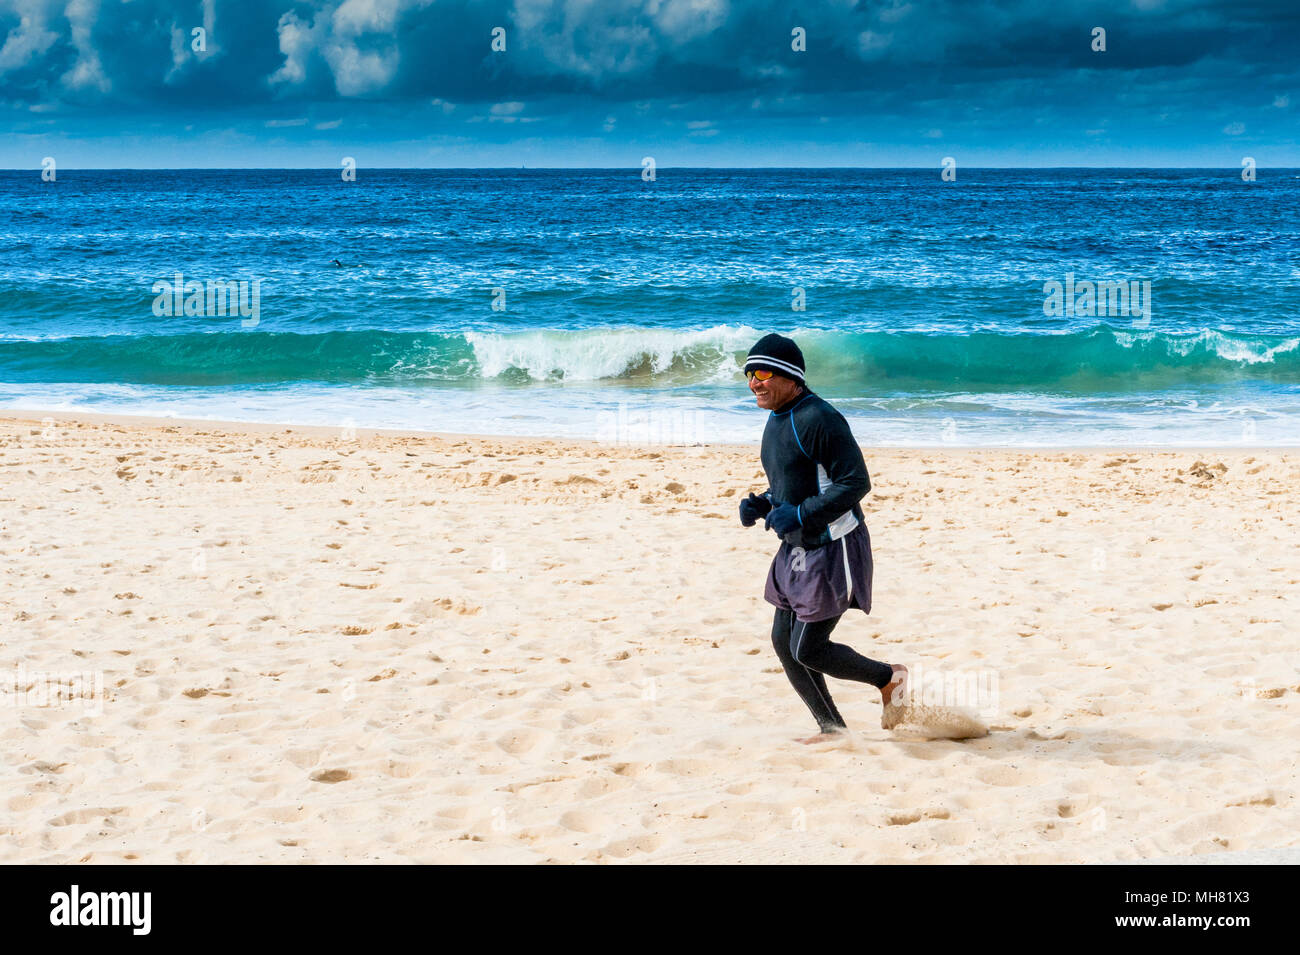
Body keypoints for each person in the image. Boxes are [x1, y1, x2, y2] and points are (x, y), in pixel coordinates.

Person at [738, 333, 908, 743]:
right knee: (784, 641)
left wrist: (798, 513)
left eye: (761, 373)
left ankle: (889, 678)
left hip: (835, 545)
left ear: (790, 375)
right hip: (796, 546)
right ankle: (831, 728)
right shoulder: (777, 419)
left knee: (809, 648)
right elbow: (792, 482)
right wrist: (764, 503)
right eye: (748, 375)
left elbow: (854, 483)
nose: (754, 383)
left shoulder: (819, 418)